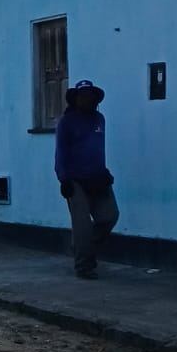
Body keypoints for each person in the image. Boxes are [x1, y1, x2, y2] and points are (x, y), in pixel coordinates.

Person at [55, 78, 118, 279]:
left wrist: (104, 171)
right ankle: (84, 266)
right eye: (82, 96)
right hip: (75, 180)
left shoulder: (100, 119)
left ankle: (82, 247)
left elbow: (99, 149)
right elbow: (60, 153)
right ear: (75, 99)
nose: (86, 100)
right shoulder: (67, 122)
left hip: (98, 177)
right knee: (81, 225)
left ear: (95, 99)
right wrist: (63, 179)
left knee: (109, 216)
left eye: (90, 96)